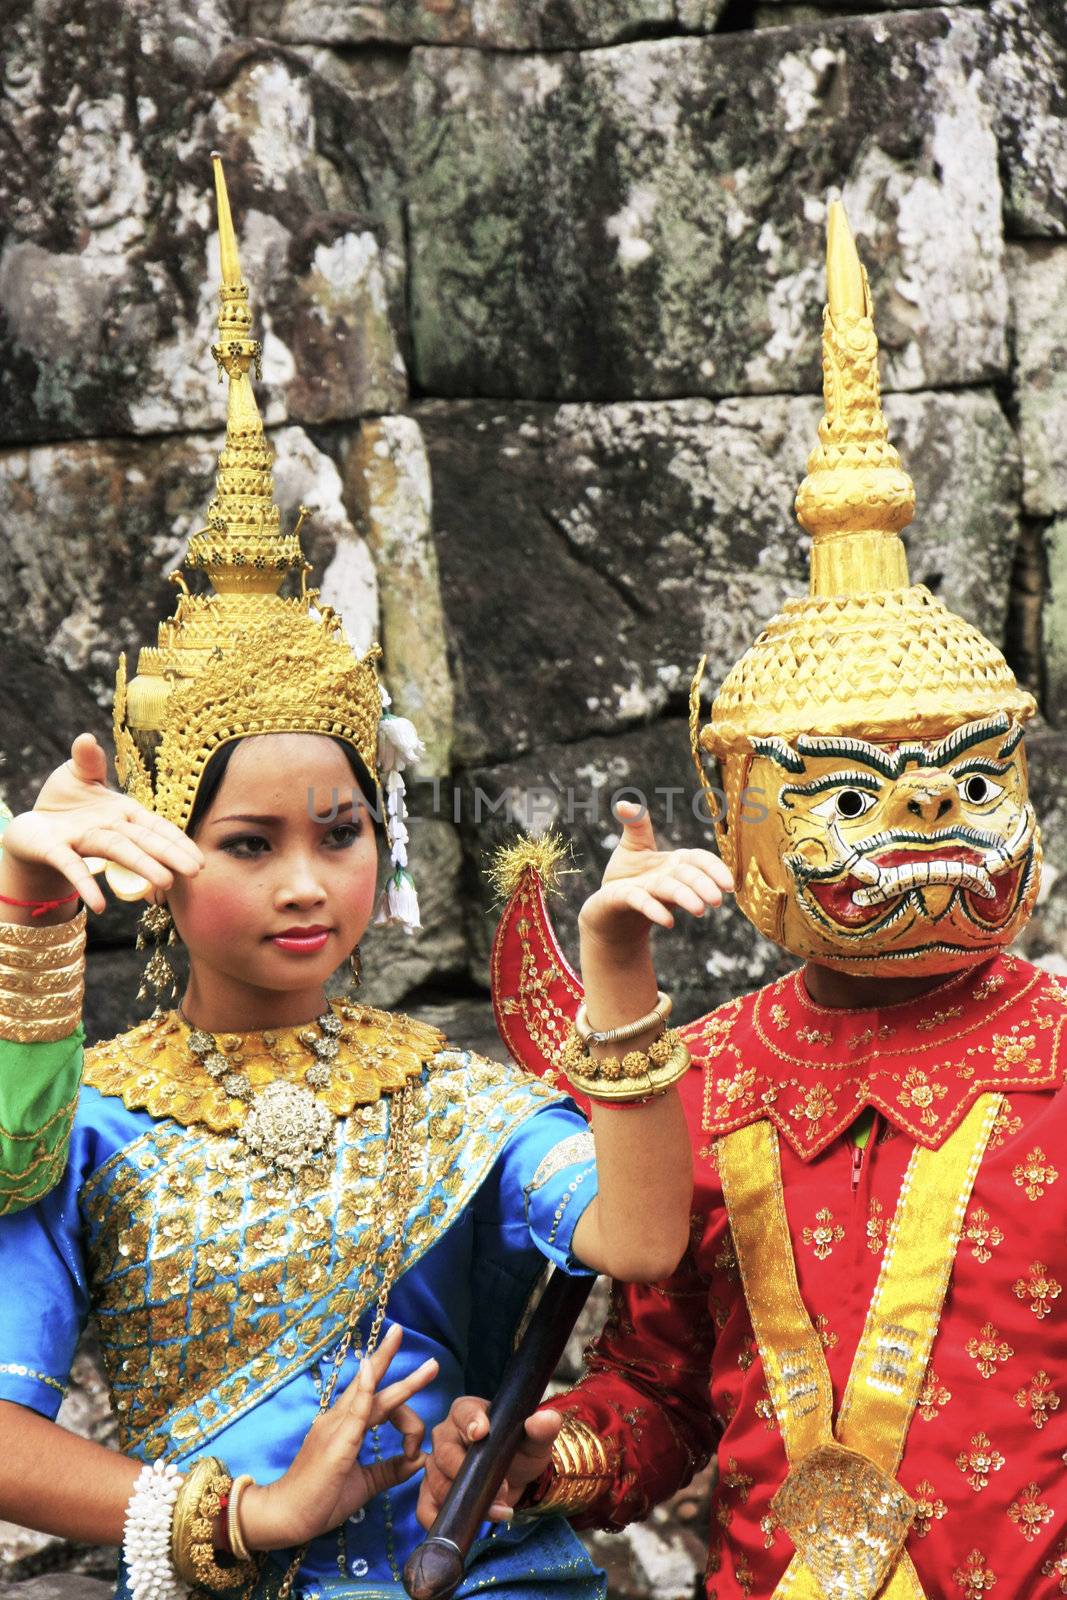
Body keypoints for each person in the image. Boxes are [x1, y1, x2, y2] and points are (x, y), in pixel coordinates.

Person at [0, 157, 729, 1600]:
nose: (304, 882)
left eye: (340, 833)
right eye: (248, 843)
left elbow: (642, 1237)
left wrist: (623, 978)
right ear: (152, 859)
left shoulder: (449, 1096)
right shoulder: (80, 1120)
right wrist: (245, 1519)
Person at [419, 204, 1067, 1598]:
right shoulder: (701, 1078)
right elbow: (660, 1392)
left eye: (965, 787)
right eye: (850, 797)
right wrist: (554, 1452)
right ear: (734, 812)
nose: (925, 835)